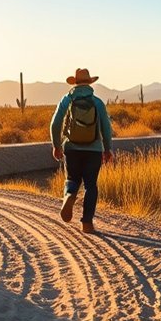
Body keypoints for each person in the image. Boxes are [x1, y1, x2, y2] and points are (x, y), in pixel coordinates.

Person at [50, 68, 114, 234]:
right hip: (93, 150)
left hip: (71, 148)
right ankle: (87, 224)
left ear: (75, 82)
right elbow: (107, 128)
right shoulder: (97, 102)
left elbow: (55, 124)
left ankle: (69, 195)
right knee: (91, 185)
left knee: (72, 179)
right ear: (90, 83)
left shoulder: (67, 100)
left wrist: (56, 145)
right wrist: (107, 149)